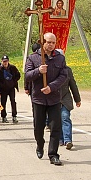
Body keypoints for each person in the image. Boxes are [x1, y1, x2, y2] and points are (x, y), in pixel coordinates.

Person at [25, 32, 67, 166]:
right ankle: (40, 144)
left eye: (53, 43)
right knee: (39, 127)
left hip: (54, 97)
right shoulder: (33, 58)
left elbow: (63, 76)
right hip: (38, 98)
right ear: (43, 42)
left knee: (56, 127)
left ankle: (53, 154)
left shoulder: (60, 58)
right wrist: (38, 71)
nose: (51, 45)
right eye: (48, 42)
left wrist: (51, 87)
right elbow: (27, 75)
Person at [56, 50, 81, 150]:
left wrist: (77, 99)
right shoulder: (51, 70)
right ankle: (60, 139)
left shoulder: (67, 70)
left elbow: (73, 85)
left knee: (65, 117)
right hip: (54, 99)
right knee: (56, 121)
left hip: (65, 99)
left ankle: (68, 140)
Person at [0, 55, 21, 124]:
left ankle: (14, 116)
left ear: (8, 61)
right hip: (3, 89)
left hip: (11, 88)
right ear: (2, 62)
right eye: (4, 61)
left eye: (6, 61)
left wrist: (14, 82)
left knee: (13, 101)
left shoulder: (13, 68)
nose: (5, 63)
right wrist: (0, 86)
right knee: (3, 102)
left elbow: (18, 75)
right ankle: (4, 117)